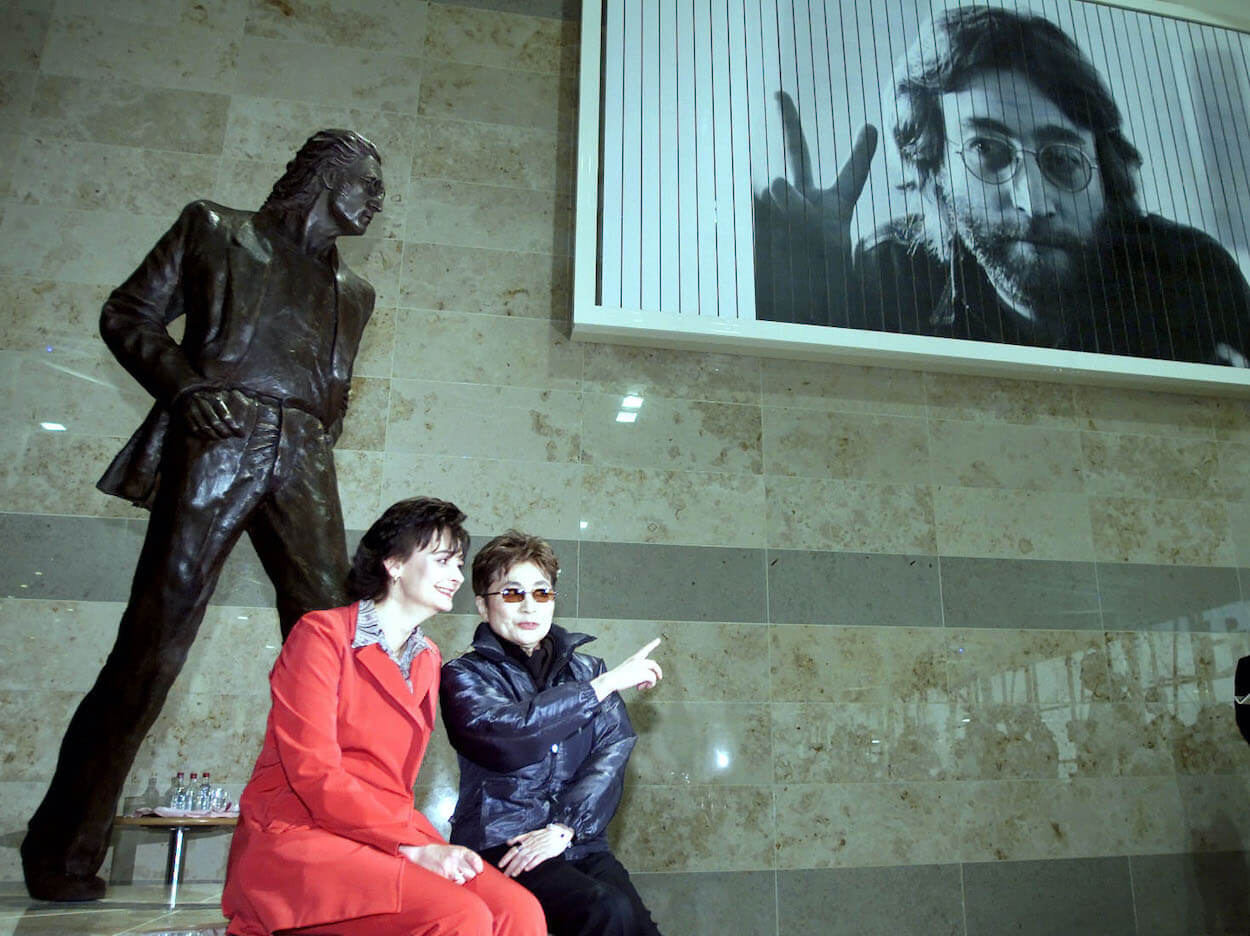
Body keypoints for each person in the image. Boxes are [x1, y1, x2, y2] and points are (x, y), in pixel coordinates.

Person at [23, 129, 387, 901]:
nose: (378, 203)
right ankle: (62, 848)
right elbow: (129, 316)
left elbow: (336, 390)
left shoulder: (355, 293)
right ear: (327, 179)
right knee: (152, 644)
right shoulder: (215, 230)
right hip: (217, 434)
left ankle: (343, 847)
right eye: (369, 185)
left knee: (336, 656)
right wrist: (187, 390)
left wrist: (313, 437)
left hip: (304, 455)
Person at [754, 5, 1250, 367]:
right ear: (936, 168)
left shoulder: (1194, 278)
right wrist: (806, 291)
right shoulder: (888, 276)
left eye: (1063, 160)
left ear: (1107, 174)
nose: (1033, 202)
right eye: (988, 151)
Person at [221, 497, 547, 936]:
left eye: (459, 563)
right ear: (394, 564)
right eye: (443, 560)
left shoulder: (427, 657)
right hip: (302, 832)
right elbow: (312, 773)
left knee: (520, 911)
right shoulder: (321, 636)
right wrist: (411, 846)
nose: (455, 575)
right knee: (459, 914)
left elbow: (395, 785)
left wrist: (421, 843)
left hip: (382, 833)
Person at [440, 531, 665, 936]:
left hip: (574, 837)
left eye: (541, 593)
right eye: (512, 593)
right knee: (603, 910)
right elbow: (507, 737)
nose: (529, 606)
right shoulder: (463, 675)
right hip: (503, 842)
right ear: (482, 605)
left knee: (638, 926)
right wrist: (601, 688)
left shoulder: (589, 669)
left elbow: (612, 750)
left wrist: (565, 827)